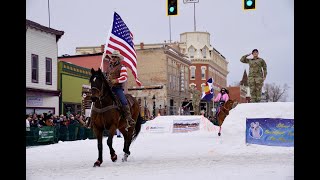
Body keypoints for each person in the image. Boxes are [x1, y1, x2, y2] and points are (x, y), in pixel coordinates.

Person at [104, 50, 135, 129]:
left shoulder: (122, 67)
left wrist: (116, 80)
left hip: (117, 88)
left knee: (123, 100)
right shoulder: (109, 67)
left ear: (118, 58)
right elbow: (106, 76)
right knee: (98, 98)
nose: (113, 58)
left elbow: (124, 77)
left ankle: (129, 118)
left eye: (115, 57)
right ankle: (92, 119)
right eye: (112, 57)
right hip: (108, 88)